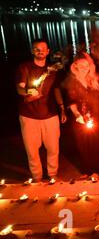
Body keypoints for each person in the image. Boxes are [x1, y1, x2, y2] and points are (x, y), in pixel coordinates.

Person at [15, 38, 67, 182]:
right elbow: (19, 87)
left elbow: (56, 89)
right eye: (37, 49)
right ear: (32, 51)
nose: (40, 51)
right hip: (29, 116)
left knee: (53, 148)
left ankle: (52, 174)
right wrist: (28, 92)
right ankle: (37, 176)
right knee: (32, 151)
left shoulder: (53, 70)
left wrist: (62, 108)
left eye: (43, 49)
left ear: (48, 51)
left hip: (50, 115)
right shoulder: (24, 67)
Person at [62, 52, 99, 179]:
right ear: (75, 67)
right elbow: (71, 101)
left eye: (86, 66)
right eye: (81, 66)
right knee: (83, 144)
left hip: (97, 116)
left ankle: (98, 170)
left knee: (96, 143)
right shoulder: (72, 82)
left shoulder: (95, 80)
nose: (84, 68)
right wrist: (77, 115)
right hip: (80, 118)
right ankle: (88, 169)